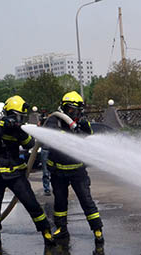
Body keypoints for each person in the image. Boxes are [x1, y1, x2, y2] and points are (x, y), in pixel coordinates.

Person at [0, 95, 55, 246]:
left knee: (31, 203)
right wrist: (1, 128)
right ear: (9, 114)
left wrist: (19, 131)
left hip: (15, 174)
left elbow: (29, 144)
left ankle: (46, 231)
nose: (19, 120)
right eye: (17, 117)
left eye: (21, 118)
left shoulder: (19, 129)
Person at [42, 91, 104, 245]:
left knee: (86, 200)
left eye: (77, 111)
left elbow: (89, 134)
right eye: (72, 111)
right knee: (60, 202)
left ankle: (97, 229)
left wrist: (83, 127)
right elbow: (53, 136)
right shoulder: (54, 120)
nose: (75, 114)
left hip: (77, 171)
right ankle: (61, 228)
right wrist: (73, 132)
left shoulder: (81, 121)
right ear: (65, 108)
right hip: (58, 171)